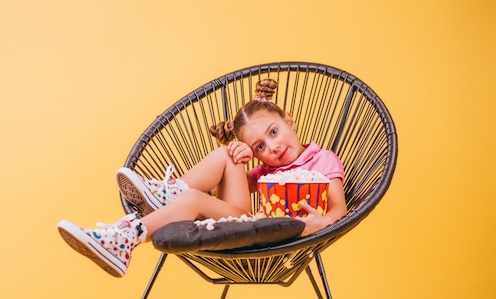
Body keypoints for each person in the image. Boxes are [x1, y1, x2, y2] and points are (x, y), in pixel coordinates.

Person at [57, 79, 347, 278]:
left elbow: (339, 207)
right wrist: (241, 153)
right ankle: (133, 230)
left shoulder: (321, 160)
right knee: (225, 158)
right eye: (259, 146)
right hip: (245, 225)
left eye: (273, 132)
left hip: (277, 236)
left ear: (290, 122)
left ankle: (140, 223)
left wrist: (323, 222)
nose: (272, 147)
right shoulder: (267, 170)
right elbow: (226, 191)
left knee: (194, 198)